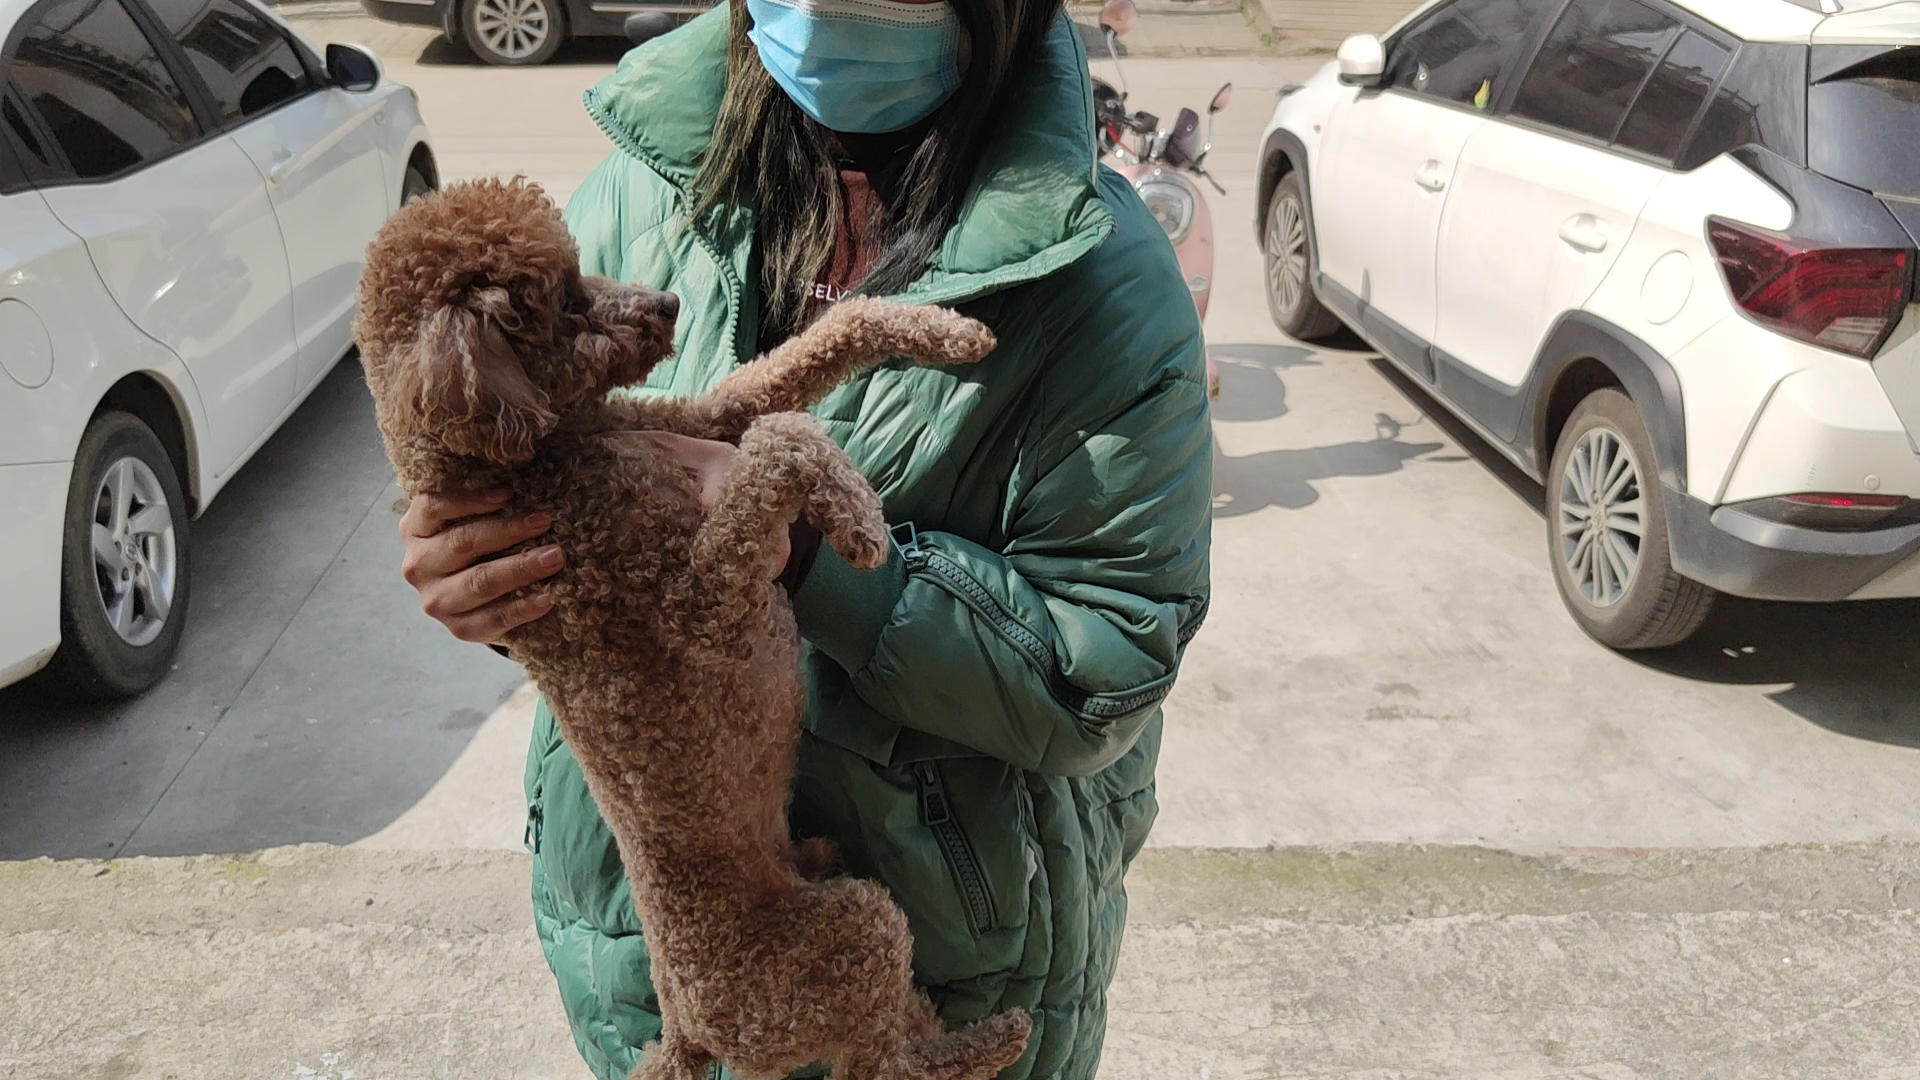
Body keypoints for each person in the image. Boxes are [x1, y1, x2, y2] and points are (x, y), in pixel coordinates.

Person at [393, 0, 1212, 1073]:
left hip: (942, 955)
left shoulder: (1101, 283)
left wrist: (821, 563)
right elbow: (537, 462)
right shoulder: (643, 189)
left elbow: (1103, 667)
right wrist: (489, 577)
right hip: (644, 956)